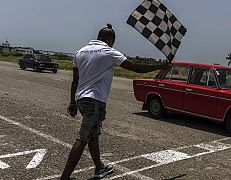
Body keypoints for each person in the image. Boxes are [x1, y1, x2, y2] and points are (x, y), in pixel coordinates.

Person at [60, 24, 169, 180]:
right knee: (83, 137)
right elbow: (135, 67)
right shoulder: (109, 52)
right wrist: (160, 66)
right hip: (95, 100)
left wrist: (72, 103)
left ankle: (99, 167)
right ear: (110, 39)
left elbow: (75, 80)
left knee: (93, 134)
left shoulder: (80, 52)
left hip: (81, 99)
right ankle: (64, 178)